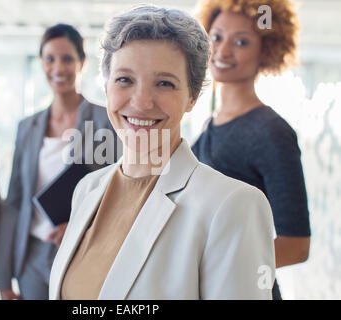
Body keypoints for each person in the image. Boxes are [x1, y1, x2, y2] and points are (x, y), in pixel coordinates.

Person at [49, 5, 276, 300]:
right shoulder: (86, 191)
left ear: (192, 97)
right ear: (106, 88)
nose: (142, 102)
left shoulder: (232, 206)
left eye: (164, 83)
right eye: (124, 79)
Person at [191, 0, 311, 299]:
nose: (222, 51)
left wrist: (213, 265)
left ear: (266, 50)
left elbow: (296, 246)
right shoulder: (210, 124)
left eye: (241, 42)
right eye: (216, 37)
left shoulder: (271, 132)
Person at [0, 23, 119, 300]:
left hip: (81, 251)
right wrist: (2, 279)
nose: (58, 68)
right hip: (32, 256)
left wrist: (79, 225)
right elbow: (13, 201)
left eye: (67, 59)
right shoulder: (27, 127)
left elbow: (120, 194)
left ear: (82, 62)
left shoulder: (106, 121)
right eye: (50, 59)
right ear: (41, 63)